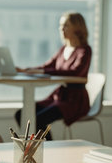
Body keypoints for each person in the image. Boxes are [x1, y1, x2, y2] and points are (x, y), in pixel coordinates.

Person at [14, 12, 91, 140]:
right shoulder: (63, 49)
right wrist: (27, 70)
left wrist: (44, 72)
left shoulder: (84, 50)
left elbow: (75, 72)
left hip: (74, 100)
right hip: (58, 96)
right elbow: (47, 66)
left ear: (77, 28)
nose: (61, 29)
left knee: (39, 119)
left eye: (66, 25)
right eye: (61, 25)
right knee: (21, 114)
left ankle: (47, 150)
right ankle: (34, 148)